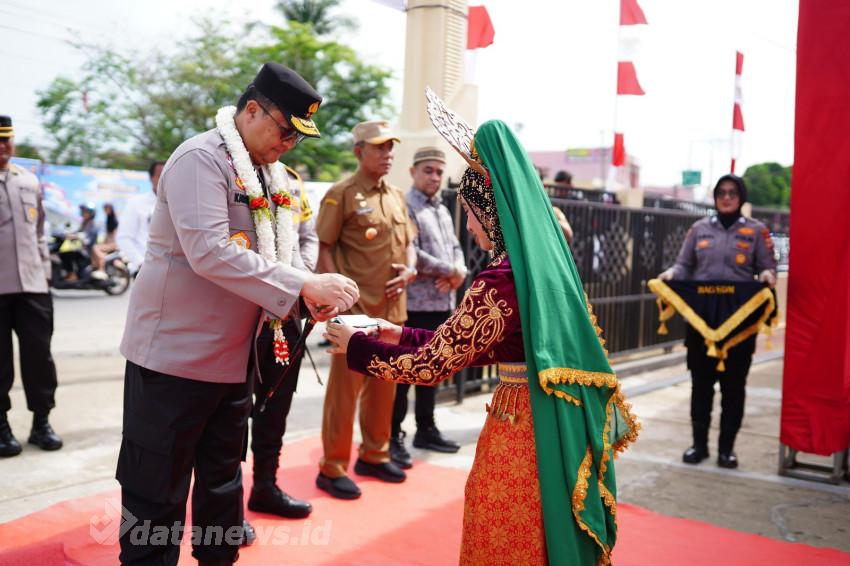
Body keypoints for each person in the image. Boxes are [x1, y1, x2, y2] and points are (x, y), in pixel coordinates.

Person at [325, 109, 638, 564]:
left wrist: (356, 346)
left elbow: (434, 365)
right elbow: (474, 345)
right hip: (550, 420)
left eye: (469, 215)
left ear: (489, 212)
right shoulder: (539, 270)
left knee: (506, 532)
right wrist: (397, 333)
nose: (468, 227)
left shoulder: (501, 279)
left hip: (522, 431)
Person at [116, 63, 359, 565]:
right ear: (252, 110)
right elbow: (209, 250)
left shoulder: (271, 176)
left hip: (232, 364)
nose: (289, 144)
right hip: (172, 363)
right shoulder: (200, 160)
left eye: (298, 137)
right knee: (155, 498)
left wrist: (307, 292)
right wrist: (303, 283)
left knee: (223, 492)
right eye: (284, 130)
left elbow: (281, 252)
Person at [314, 120, 417, 500]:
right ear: (359, 152)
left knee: (384, 389)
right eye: (379, 148)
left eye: (390, 147)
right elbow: (323, 247)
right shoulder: (340, 194)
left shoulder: (396, 195)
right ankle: (332, 467)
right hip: (354, 311)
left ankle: (374, 455)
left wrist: (410, 269)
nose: (387, 154)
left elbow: (408, 244)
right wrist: (335, 299)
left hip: (391, 311)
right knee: (344, 392)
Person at [659, 174, 776, 469]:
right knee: (701, 386)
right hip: (701, 323)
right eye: (721, 192)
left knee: (734, 388)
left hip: (738, 325)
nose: (726, 197)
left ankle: (727, 450)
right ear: (714, 197)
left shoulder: (756, 231)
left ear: (741, 197)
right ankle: (699, 446)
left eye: (732, 193)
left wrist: (766, 277)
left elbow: (767, 266)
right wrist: (672, 275)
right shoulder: (698, 229)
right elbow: (684, 265)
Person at [247, 165, 317, 520]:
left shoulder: (291, 180)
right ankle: (222, 504)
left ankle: (265, 487)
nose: (286, 141)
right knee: (230, 413)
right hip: (242, 315)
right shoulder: (231, 170)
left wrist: (302, 280)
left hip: (287, 315)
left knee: (275, 408)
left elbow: (307, 235)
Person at [389, 146, 464, 470]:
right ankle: (393, 436)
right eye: (428, 170)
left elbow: (457, 247)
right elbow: (413, 253)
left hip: (442, 302)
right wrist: (450, 271)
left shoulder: (443, 209)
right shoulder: (406, 206)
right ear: (413, 172)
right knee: (405, 371)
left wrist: (459, 271)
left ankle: (426, 428)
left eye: (438, 171)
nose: (434, 177)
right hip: (416, 304)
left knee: (432, 370)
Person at [0, 115, 63, 458]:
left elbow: (39, 234)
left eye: (6, 139)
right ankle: (1, 426)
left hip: (33, 287)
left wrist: (46, 277)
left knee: (39, 358)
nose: (3, 146)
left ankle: (42, 422)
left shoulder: (28, 181)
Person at [116, 161, 163, 275]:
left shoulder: (179, 204)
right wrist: (141, 263)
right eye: (160, 176)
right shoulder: (136, 203)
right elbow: (124, 238)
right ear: (151, 178)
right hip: (145, 272)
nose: (165, 180)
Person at [59, 203, 99, 280]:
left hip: (88, 252)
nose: (83, 213)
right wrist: (68, 234)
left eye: (85, 212)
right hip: (83, 250)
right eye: (83, 211)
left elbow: (86, 239)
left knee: (66, 254)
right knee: (65, 253)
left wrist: (76, 236)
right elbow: (77, 232)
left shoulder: (93, 224)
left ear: (91, 213)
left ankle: (72, 274)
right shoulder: (84, 223)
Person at [90, 202, 119, 278]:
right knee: (95, 248)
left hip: (113, 244)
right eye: (104, 209)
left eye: (106, 209)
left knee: (95, 248)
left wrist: (109, 244)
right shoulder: (109, 219)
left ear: (110, 209)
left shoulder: (113, 220)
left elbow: (114, 235)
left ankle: (101, 269)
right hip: (111, 243)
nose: (105, 211)